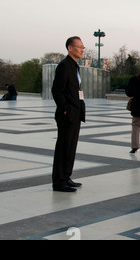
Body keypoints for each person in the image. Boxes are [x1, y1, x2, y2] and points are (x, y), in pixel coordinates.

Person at [51, 36, 86, 193]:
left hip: (75, 112)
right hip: (68, 113)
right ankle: (59, 181)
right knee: (63, 147)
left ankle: (66, 176)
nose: (82, 49)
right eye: (79, 47)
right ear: (70, 48)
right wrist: (65, 108)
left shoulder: (75, 66)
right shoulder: (64, 66)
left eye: (83, 47)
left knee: (71, 147)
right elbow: (56, 90)